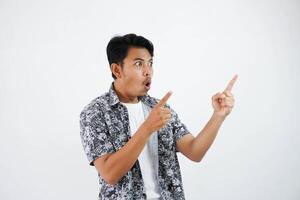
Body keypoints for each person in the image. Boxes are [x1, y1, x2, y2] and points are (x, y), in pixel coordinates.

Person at [79, 33, 237, 200]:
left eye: (150, 63)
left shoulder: (159, 108)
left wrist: (218, 116)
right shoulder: (95, 113)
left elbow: (194, 151)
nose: (148, 71)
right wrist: (147, 128)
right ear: (117, 70)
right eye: (139, 64)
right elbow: (110, 174)